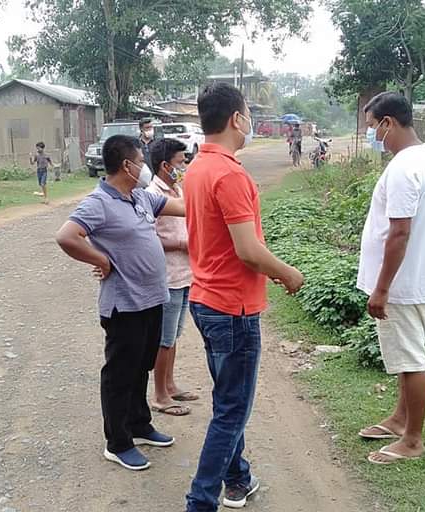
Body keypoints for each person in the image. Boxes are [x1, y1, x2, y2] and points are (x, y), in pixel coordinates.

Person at [184, 82, 305, 511]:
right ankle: (200, 501)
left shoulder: (197, 167)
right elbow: (248, 249)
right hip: (232, 308)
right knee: (231, 412)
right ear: (237, 118)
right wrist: (288, 273)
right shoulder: (230, 174)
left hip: (206, 299)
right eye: (248, 115)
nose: (250, 122)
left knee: (226, 399)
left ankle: (237, 478)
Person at [55, 134, 186, 472]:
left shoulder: (141, 197)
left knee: (141, 365)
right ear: (127, 165)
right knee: (119, 373)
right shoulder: (98, 202)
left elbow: (183, 209)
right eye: (141, 162)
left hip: (153, 298)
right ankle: (118, 442)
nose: (144, 167)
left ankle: (139, 425)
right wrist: (100, 260)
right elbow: (66, 236)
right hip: (124, 303)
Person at [355, 92, 425, 465]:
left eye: (372, 127)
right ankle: (399, 419)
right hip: (418, 278)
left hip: (402, 285)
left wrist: (381, 287)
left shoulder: (405, 168)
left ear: (388, 123)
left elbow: (399, 233)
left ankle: (412, 440)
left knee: (411, 360)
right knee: (409, 355)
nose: (372, 134)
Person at [145, 138, 199, 417]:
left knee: (174, 335)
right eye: (180, 162)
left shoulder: (177, 189)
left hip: (184, 273)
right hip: (167, 276)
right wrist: (181, 244)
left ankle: (170, 384)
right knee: (164, 339)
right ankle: (160, 395)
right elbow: (147, 238)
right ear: (165, 165)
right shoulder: (153, 194)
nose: (184, 166)